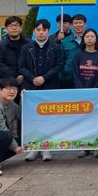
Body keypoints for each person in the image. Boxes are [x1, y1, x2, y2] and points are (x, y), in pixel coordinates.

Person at [20, 19, 64, 162]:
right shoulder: (26, 48)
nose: (41, 32)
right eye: (38, 30)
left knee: (48, 118)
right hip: (31, 88)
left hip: (49, 87)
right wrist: (32, 78)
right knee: (33, 119)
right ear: (34, 31)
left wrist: (44, 78)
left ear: (48, 31)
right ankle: (34, 149)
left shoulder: (55, 47)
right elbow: (21, 67)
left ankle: (47, 148)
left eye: (44, 30)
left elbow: (59, 65)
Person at [72, 28, 98, 159]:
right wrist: (81, 89)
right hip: (81, 92)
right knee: (83, 120)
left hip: (97, 92)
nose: (89, 39)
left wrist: (96, 89)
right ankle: (84, 146)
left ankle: (97, 146)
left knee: (96, 120)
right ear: (83, 39)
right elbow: (75, 73)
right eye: (87, 36)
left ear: (96, 39)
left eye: (92, 36)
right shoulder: (78, 55)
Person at [0, 16, 28, 99]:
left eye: (17, 25)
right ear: (6, 29)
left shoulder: (29, 44)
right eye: (11, 26)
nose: (14, 28)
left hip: (26, 84)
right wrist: (16, 76)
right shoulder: (0, 45)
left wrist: (24, 75)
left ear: (21, 28)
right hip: (5, 85)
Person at [59, 13, 87, 89]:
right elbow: (60, 61)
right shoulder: (65, 42)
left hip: (87, 78)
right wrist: (62, 76)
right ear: (72, 25)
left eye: (80, 23)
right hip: (68, 79)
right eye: (75, 23)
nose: (78, 25)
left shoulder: (90, 40)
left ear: (85, 24)